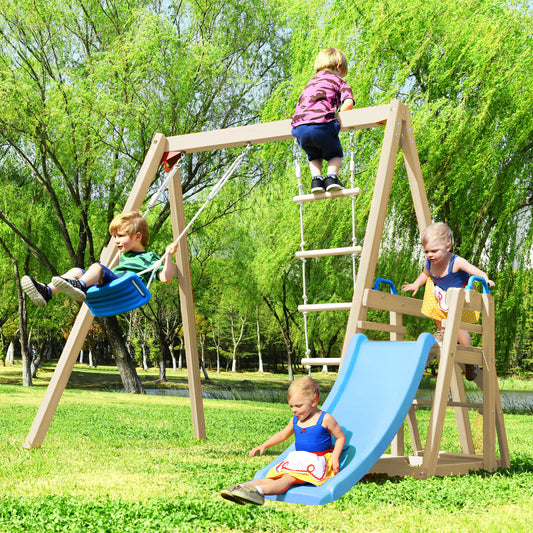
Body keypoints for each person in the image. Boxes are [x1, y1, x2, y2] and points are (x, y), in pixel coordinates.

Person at [220, 376, 346, 506]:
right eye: (291, 406)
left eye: (298, 406)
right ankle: (239, 488)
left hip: (315, 461)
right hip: (299, 459)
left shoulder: (325, 418)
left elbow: (340, 437)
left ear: (314, 402)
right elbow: (282, 435)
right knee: (272, 478)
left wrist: (335, 457)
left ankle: (258, 491)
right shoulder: (296, 419)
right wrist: (264, 445)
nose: (294, 410)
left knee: (287, 478)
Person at [21, 211, 178, 307]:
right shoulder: (125, 254)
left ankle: (80, 285)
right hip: (110, 284)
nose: (116, 240)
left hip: (124, 285)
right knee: (76, 270)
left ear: (138, 237)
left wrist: (168, 256)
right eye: (114, 236)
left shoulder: (149, 257)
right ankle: (46, 292)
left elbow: (166, 278)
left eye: (121, 236)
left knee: (98, 267)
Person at [402, 222, 495, 381]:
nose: (430, 255)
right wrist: (416, 284)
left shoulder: (456, 262)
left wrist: (486, 280)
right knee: (438, 315)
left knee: (457, 325)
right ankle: (445, 335)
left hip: (459, 296)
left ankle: (469, 357)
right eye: (426, 251)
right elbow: (425, 274)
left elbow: (475, 271)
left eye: (434, 251)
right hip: (441, 293)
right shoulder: (429, 262)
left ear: (448, 246)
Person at [291, 47, 355, 194]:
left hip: (299, 127)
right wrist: (338, 119)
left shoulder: (310, 83)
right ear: (339, 67)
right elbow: (348, 104)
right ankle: (331, 178)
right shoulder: (339, 81)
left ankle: (316, 181)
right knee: (334, 153)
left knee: (313, 154)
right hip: (322, 124)